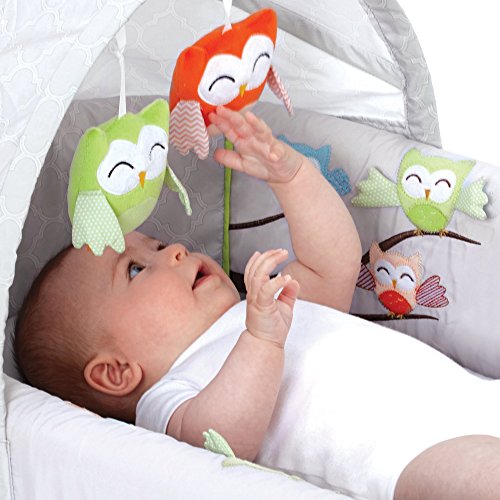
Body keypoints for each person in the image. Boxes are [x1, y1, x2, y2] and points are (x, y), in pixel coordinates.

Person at [15, 106, 500, 500]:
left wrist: (293, 178)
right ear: (116, 372)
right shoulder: (170, 402)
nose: (176, 250)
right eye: (137, 269)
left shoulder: (257, 308)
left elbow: (334, 263)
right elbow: (221, 441)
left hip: (473, 396)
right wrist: (261, 337)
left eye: (158, 245)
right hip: (408, 455)